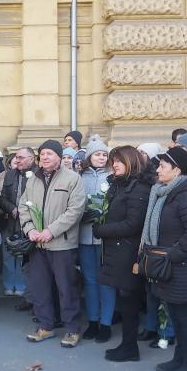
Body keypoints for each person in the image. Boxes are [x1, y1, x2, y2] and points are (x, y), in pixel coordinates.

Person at [142, 147, 187, 371]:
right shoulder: (166, 192)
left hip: (183, 268)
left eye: (162, 166)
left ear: (177, 170)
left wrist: (173, 255)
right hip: (170, 267)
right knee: (176, 317)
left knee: (186, 319)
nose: (157, 169)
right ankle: (180, 358)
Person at [21, 139, 86, 348]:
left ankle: (72, 329)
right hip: (37, 244)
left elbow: (75, 211)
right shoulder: (33, 180)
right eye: (43, 154)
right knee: (40, 287)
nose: (45, 157)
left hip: (62, 244)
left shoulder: (72, 179)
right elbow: (23, 207)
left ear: (59, 156)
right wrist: (30, 230)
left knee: (66, 288)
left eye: (50, 153)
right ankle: (45, 326)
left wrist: (51, 231)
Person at [94, 146, 152, 362]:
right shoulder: (120, 185)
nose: (114, 164)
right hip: (117, 249)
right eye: (113, 161)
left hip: (129, 252)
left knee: (129, 300)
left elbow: (133, 224)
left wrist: (102, 230)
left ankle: (130, 348)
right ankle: (128, 345)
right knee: (125, 299)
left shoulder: (139, 188)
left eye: (119, 161)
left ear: (131, 162)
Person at [78, 134, 115, 343]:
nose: (101, 158)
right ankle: (93, 321)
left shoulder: (112, 177)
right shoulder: (79, 177)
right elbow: (73, 204)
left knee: (106, 281)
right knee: (90, 280)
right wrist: (82, 215)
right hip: (84, 236)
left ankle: (106, 323)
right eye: (97, 154)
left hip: (105, 238)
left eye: (104, 154)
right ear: (89, 157)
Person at [0, 148, 36, 298]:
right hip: (11, 221)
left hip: (30, 223)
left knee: (23, 256)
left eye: (21, 157)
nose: (18, 160)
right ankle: (8, 285)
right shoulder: (10, 174)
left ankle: (22, 287)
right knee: (8, 254)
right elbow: (2, 198)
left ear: (32, 158)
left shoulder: (38, 175)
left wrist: (27, 211)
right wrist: (12, 209)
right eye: (17, 158)